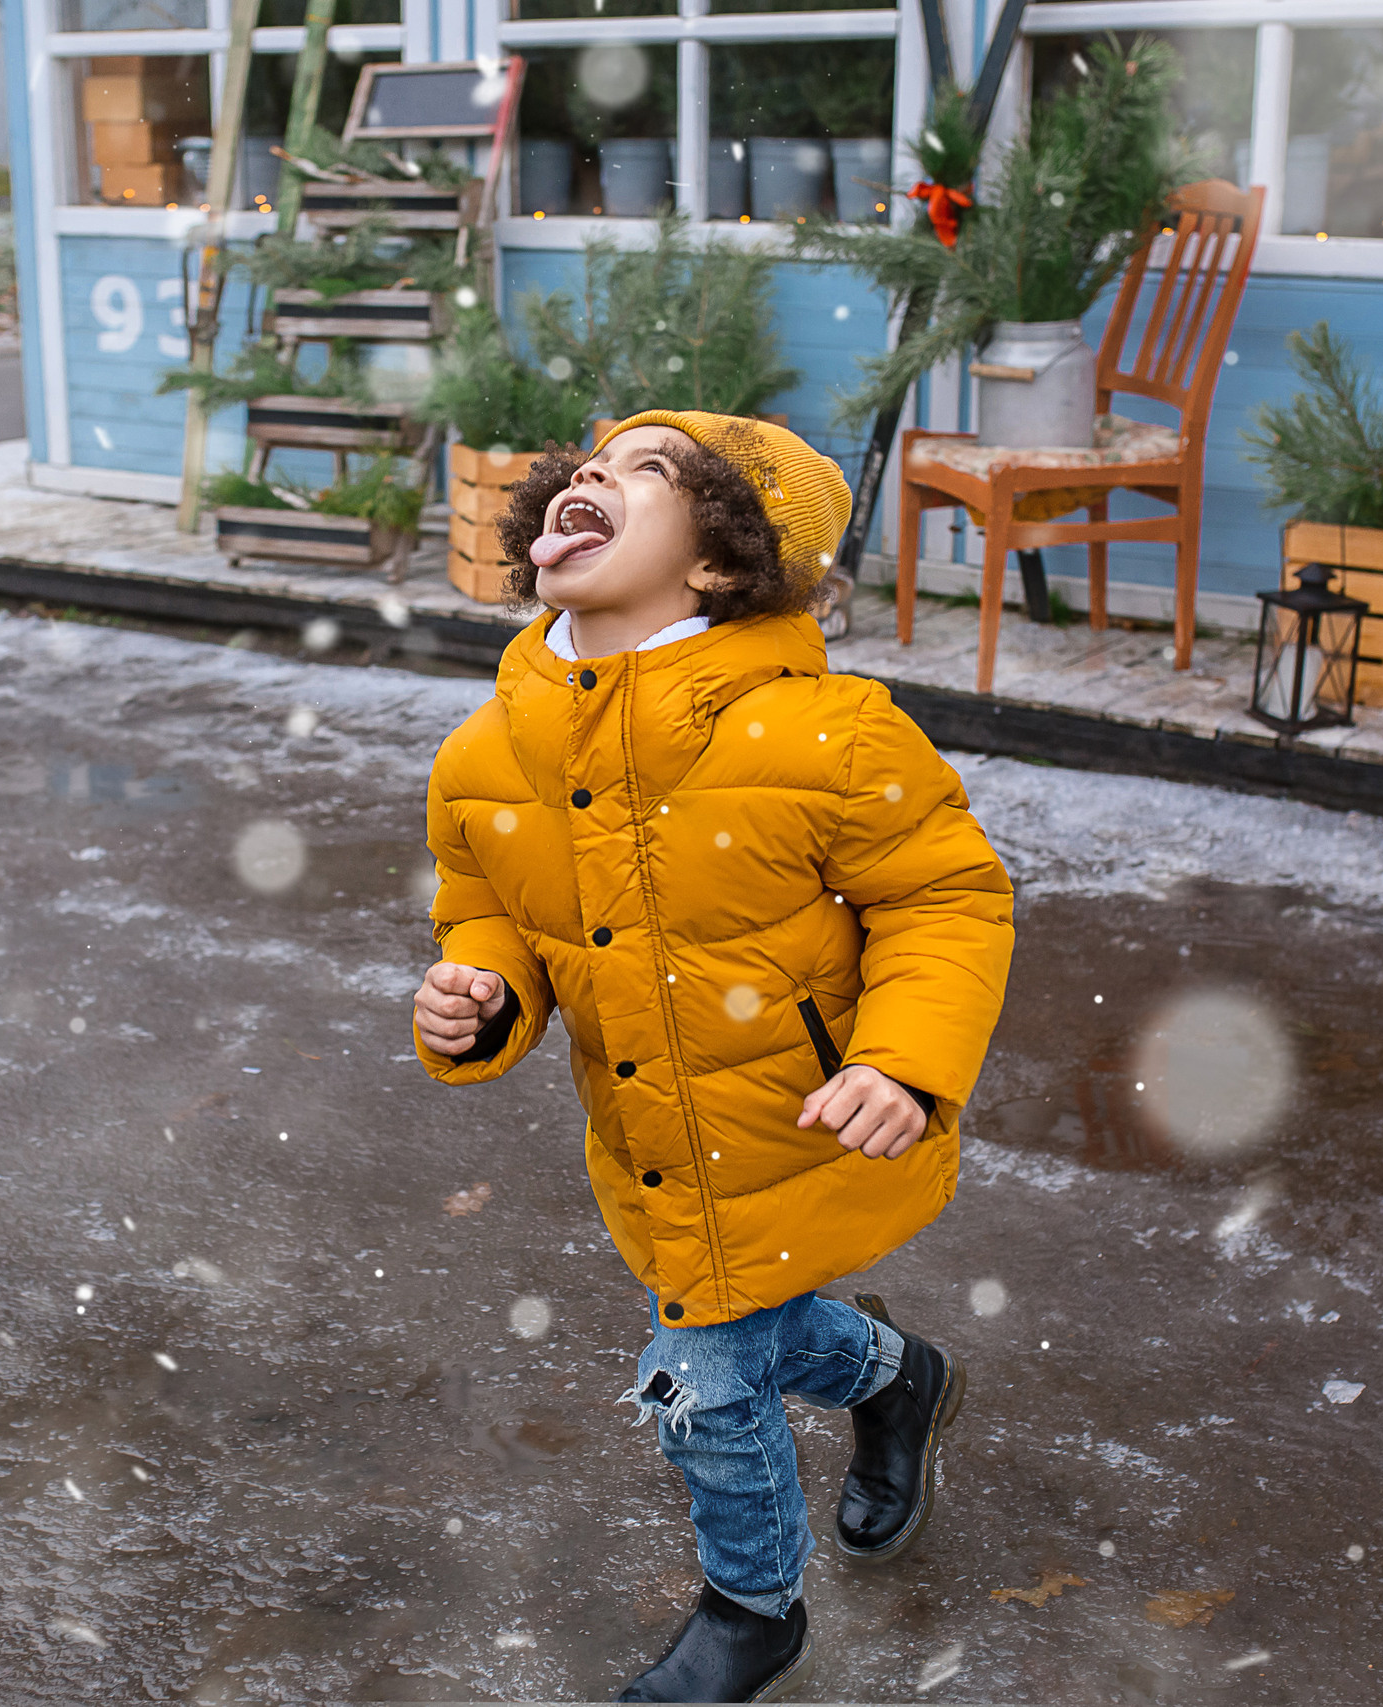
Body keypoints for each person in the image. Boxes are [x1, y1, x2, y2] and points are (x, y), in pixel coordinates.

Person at [411, 412, 1015, 1703]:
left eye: (650, 470)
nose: (594, 473)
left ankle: (753, 1607)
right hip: (646, 1139)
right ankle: (896, 1377)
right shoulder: (487, 753)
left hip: (799, 1120)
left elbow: (944, 901)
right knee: (741, 1315)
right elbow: (491, 907)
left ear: (724, 561)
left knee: (703, 1375)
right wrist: (484, 991)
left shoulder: (829, 736)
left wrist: (906, 1063)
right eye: (590, 462)